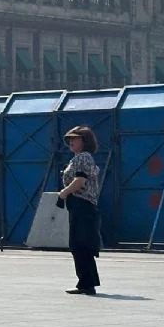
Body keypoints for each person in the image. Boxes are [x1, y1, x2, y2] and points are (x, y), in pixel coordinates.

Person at [58, 125, 102, 295]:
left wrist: (64, 192)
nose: (71, 142)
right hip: (80, 205)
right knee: (81, 244)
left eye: (75, 138)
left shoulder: (83, 157)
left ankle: (86, 283)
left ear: (84, 140)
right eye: (69, 139)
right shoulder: (79, 158)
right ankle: (87, 282)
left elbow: (80, 181)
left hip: (82, 204)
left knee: (79, 244)